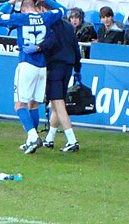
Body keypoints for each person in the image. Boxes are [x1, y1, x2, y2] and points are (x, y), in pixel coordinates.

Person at [0, 0, 65, 154]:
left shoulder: (20, 18)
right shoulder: (46, 16)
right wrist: (45, 0)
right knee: (33, 104)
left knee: (19, 104)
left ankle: (33, 136)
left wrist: (9, 2)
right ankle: (29, 141)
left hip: (26, 64)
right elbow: (62, 10)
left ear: (23, 8)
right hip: (41, 66)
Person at [42, 10, 83, 152]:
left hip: (55, 67)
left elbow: (47, 46)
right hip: (68, 66)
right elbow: (76, 49)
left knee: (59, 103)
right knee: (55, 103)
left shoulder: (48, 26)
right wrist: (77, 69)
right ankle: (49, 139)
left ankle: (72, 140)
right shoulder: (68, 26)